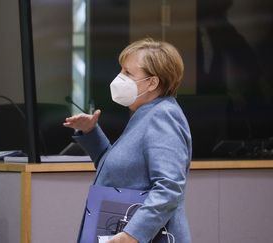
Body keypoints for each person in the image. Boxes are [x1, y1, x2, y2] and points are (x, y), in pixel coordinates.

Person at [64, 38, 192, 243]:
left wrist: (133, 234)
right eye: (121, 70)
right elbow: (119, 170)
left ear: (152, 82)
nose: (119, 78)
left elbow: (169, 187)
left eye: (128, 73)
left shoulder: (162, 116)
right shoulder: (144, 114)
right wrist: (90, 132)